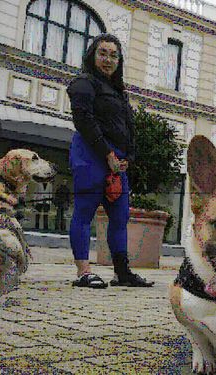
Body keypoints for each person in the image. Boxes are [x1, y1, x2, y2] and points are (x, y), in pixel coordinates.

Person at [67, 34, 153, 288]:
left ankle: (122, 272)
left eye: (113, 55)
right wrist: (107, 153)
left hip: (118, 161)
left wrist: (129, 158)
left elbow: (129, 128)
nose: (108, 59)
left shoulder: (119, 92)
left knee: (120, 216)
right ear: (92, 55)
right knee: (84, 212)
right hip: (91, 155)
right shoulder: (83, 83)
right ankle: (84, 271)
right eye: (102, 53)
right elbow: (84, 121)